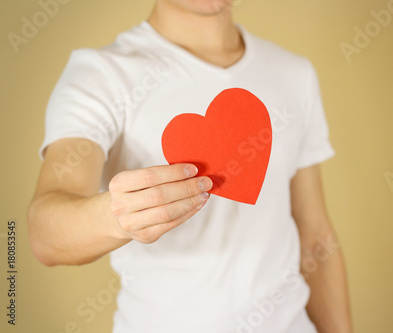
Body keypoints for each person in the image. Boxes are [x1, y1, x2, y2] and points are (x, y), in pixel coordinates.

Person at [27, 0, 353, 332]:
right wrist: (116, 217)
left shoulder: (294, 73)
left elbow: (315, 237)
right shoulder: (101, 73)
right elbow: (45, 234)